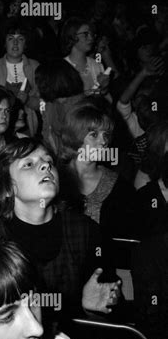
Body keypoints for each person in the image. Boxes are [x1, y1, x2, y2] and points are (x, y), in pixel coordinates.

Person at [0, 137, 121, 324]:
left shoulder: (85, 230)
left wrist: (90, 309)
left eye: (49, 161)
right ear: (7, 187)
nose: (46, 166)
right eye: (28, 164)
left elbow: (107, 311)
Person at [58, 97, 137, 241]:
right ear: (75, 135)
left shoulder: (119, 186)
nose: (103, 142)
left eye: (106, 135)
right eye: (94, 135)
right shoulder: (54, 179)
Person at [0, 19, 40, 135]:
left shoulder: (35, 67)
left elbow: (46, 104)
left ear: (26, 43)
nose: (15, 43)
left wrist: (29, 100)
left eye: (20, 39)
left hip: (28, 132)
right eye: (11, 38)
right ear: (4, 43)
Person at [61, 17, 110, 98]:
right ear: (72, 36)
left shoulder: (97, 65)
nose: (91, 38)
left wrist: (104, 88)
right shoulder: (62, 69)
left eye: (92, 34)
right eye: (85, 34)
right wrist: (98, 86)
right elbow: (67, 102)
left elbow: (100, 97)